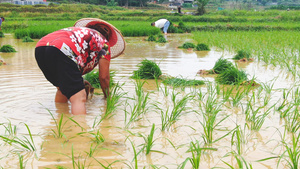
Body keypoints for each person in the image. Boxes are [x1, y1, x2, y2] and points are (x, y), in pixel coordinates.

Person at [35, 18, 125, 115]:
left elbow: (69, 68)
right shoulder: (103, 41)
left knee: (63, 89)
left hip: (40, 48)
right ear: (107, 36)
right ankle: (79, 128)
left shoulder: (81, 34)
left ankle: (59, 121)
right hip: (62, 49)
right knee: (79, 97)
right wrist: (107, 97)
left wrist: (80, 82)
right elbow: (104, 77)